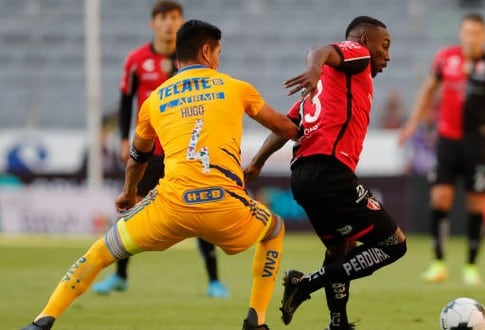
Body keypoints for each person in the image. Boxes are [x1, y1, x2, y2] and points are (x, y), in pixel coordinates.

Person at [21, 19, 298, 330]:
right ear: (207, 51)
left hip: (171, 207)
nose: (219, 59)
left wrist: (129, 192)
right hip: (225, 205)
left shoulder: (155, 99)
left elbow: (137, 157)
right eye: (218, 52)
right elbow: (286, 129)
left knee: (99, 253)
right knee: (274, 230)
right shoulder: (236, 88)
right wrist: (306, 105)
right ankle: (257, 321)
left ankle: (42, 321)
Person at [245, 16, 407, 330]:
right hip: (331, 173)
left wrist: (258, 163)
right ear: (363, 40)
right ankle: (304, 284)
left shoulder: (323, 89)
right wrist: (315, 68)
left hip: (303, 177)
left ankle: (338, 322)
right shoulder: (356, 55)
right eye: (384, 46)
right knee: (394, 245)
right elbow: (321, 50)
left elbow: (288, 128)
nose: (388, 55)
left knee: (340, 250)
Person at [92, 1, 229, 298]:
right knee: (132, 208)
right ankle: (120, 275)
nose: (170, 23)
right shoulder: (136, 60)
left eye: (175, 18)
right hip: (150, 150)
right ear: (154, 23)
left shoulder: (191, 59)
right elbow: (126, 99)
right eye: (164, 18)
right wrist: (124, 139)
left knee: (198, 209)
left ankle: (214, 281)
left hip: (184, 148)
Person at [398, 13, 485, 285]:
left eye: (476, 33)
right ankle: (438, 262)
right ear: (460, 34)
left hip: (476, 143)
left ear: (484, 36)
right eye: (467, 32)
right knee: (440, 198)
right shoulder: (445, 59)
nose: (471, 37)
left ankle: (470, 266)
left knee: (476, 204)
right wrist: (412, 124)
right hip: (447, 141)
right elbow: (428, 90)